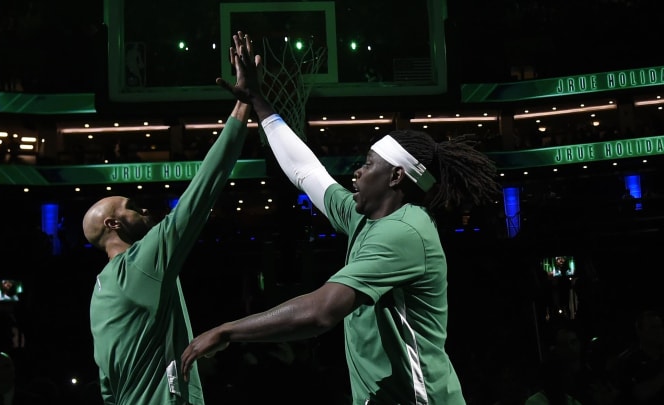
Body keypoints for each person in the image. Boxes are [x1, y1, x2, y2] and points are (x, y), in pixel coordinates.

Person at [180, 31, 500, 405]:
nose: (357, 173)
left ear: (396, 177)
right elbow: (307, 172)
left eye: (367, 164)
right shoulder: (366, 217)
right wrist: (258, 102)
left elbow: (321, 312)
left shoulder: (405, 232)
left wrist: (227, 330)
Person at [82, 43, 253, 404]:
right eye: (132, 208)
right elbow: (203, 190)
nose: (143, 211)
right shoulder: (140, 263)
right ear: (113, 223)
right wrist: (244, 104)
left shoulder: (100, 293)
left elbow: (106, 385)